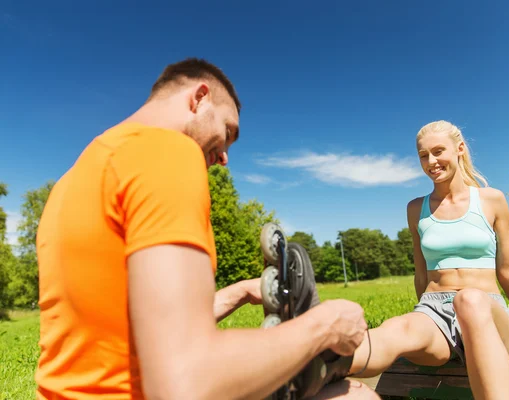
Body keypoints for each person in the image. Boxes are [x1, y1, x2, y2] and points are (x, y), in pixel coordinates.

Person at [35, 58, 379, 400]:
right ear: (199, 97)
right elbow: (186, 384)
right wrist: (327, 325)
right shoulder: (166, 150)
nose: (226, 157)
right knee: (356, 396)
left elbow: (115, 324)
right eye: (229, 132)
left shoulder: (73, 179)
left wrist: (237, 294)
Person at [346, 120, 509, 400]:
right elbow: (421, 275)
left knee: (469, 300)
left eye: (438, 151)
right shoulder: (416, 209)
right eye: (423, 156)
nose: (431, 161)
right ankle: (320, 359)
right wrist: (422, 316)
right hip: (434, 311)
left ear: (460, 149)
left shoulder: (491, 200)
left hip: (487, 310)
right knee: (397, 327)